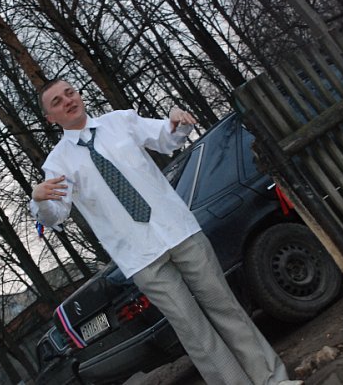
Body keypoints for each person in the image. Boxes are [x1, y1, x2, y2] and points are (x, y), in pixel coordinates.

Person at [30, 79, 298, 385]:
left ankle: (273, 380)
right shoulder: (58, 164)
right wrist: (40, 200)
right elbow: (56, 215)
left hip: (179, 231)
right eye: (57, 101)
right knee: (194, 331)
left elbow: (167, 138)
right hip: (141, 257)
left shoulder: (120, 122)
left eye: (70, 93)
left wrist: (176, 120)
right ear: (50, 118)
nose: (68, 100)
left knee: (226, 307)